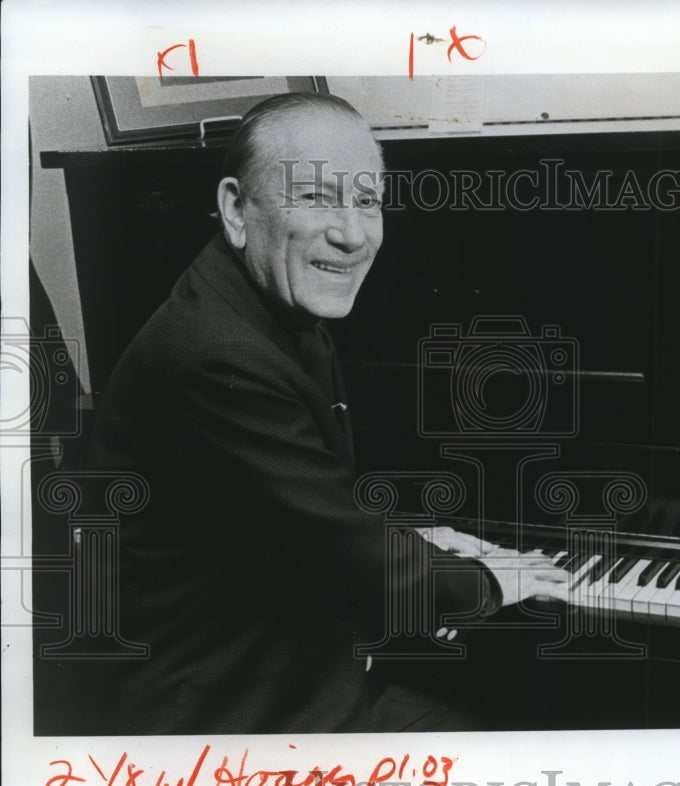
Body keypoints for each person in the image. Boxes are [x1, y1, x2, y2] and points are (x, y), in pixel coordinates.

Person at [85, 92, 567, 734]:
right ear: (236, 208)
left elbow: (298, 514)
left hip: (283, 673)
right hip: (226, 720)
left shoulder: (266, 308)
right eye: (315, 197)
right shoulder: (221, 354)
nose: (351, 233)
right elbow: (347, 562)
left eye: (367, 201)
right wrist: (489, 580)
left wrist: (414, 542)